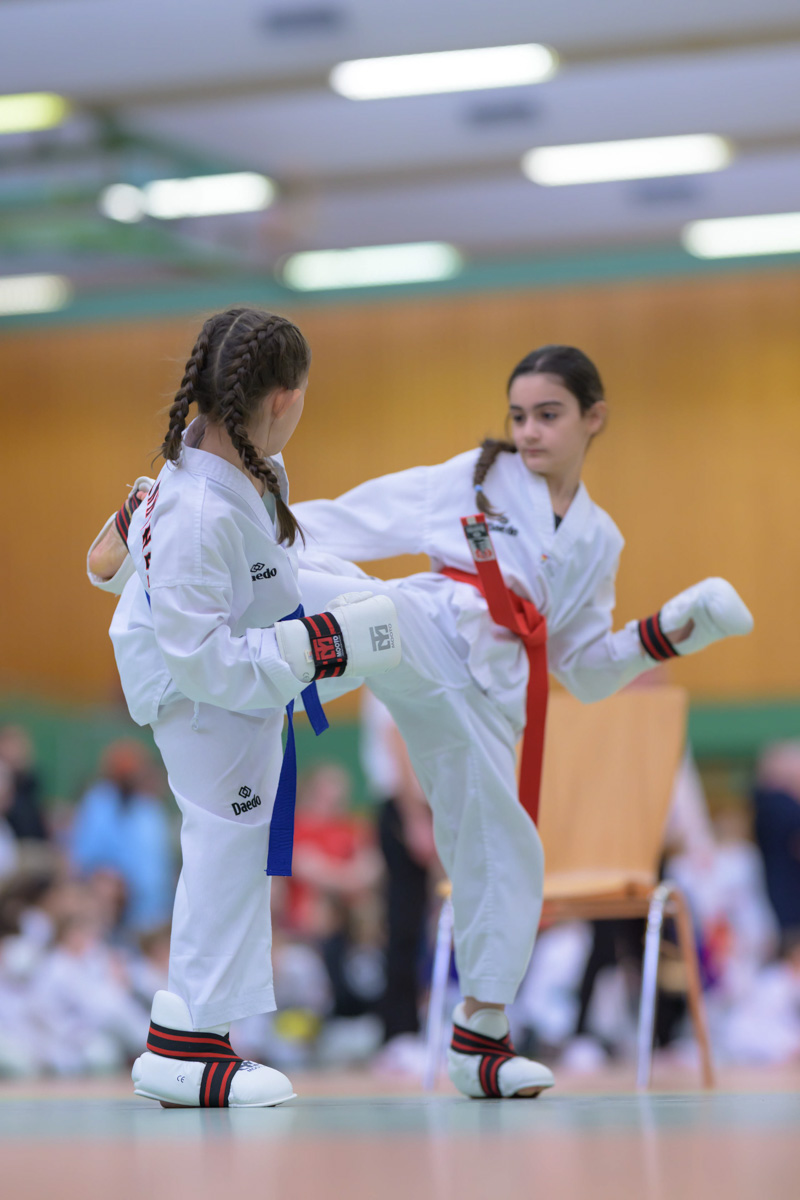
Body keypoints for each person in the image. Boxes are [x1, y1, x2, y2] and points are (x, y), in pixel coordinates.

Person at [88, 343, 752, 1100]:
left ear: (593, 418)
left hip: (490, 695)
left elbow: (584, 668)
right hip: (424, 630)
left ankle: (482, 1039)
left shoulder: (599, 541)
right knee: (352, 594)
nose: (530, 431)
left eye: (549, 415)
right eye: (520, 415)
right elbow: (343, 522)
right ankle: (158, 571)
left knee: (507, 847)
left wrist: (669, 632)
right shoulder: (475, 479)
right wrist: (204, 525)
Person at [86, 307, 401, 1108]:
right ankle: (188, 1049)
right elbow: (203, 661)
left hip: (248, 646)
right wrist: (323, 647)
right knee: (227, 845)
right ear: (286, 397)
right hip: (197, 693)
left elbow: (105, 563)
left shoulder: (235, 463)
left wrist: (341, 623)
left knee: (393, 617)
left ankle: (192, 1028)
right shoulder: (196, 510)